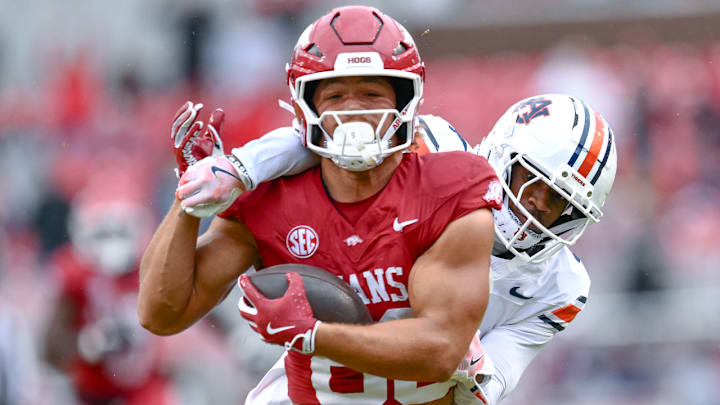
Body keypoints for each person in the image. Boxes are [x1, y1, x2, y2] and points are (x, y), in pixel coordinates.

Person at [138, 5, 502, 405]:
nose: (353, 111)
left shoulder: (450, 187)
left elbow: (440, 349)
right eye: (335, 94)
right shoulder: (271, 198)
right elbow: (163, 313)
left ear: (405, 102)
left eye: (371, 93)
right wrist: (190, 199)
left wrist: (315, 334)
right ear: (305, 104)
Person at [176, 91, 617, 405]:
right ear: (503, 156)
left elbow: (493, 383)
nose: (536, 206)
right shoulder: (437, 150)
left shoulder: (562, 286)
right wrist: (241, 168)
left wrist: (469, 361)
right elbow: (322, 137)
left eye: (559, 202)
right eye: (532, 183)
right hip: (326, 381)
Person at [44, 173, 173, 404]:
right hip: (91, 392)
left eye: (120, 232)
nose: (112, 245)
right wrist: (85, 343)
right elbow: (49, 350)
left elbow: (198, 314)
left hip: (145, 388)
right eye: (103, 233)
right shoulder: (76, 273)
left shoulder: (154, 267)